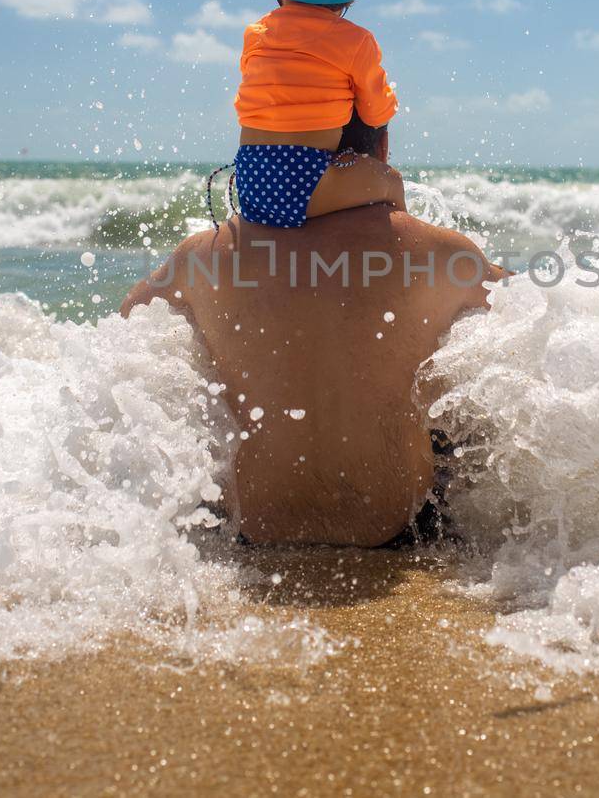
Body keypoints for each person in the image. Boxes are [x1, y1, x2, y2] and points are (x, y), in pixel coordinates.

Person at [122, 118, 504, 547]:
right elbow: (527, 317)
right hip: (399, 526)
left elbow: (125, 330)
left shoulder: (200, 256)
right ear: (383, 149)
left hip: (248, 527)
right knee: (464, 376)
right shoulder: (442, 253)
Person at [222, 0, 407, 229]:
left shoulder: (255, 34)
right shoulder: (356, 41)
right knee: (391, 182)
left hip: (249, 177)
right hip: (306, 178)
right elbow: (377, 114)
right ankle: (397, 261)